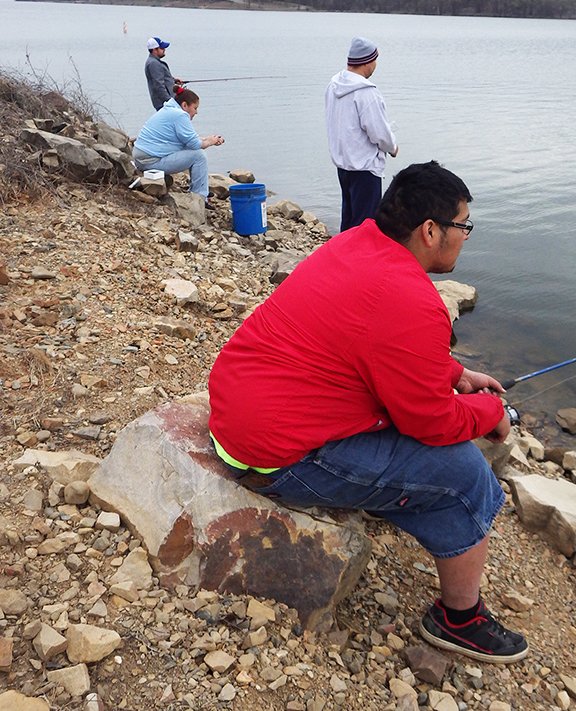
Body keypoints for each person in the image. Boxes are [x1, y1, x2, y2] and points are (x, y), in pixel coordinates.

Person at [207, 161, 529, 664]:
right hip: (276, 457)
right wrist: (489, 413)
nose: (466, 236)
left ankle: (386, 500)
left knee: (428, 433)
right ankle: (459, 620)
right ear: (430, 231)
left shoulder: (355, 244)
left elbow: (375, 339)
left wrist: (454, 374)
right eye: (464, 226)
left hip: (236, 416)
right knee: (465, 474)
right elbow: (432, 423)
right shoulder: (411, 296)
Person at [325, 36, 398, 233]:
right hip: (365, 167)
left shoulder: (333, 85)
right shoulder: (367, 93)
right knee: (365, 224)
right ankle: (359, 262)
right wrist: (393, 147)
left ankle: (343, 258)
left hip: (344, 164)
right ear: (367, 61)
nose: (375, 65)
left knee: (349, 219)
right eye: (375, 60)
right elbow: (379, 133)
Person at [132, 88, 224, 201]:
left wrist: (208, 138)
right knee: (199, 156)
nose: (196, 112)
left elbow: (187, 139)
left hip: (142, 159)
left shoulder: (169, 110)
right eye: (195, 108)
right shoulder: (179, 115)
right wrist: (211, 142)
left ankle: (200, 190)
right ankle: (199, 197)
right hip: (150, 162)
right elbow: (195, 144)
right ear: (185, 105)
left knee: (195, 152)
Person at [145, 36, 182, 111]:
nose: (164, 50)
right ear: (154, 50)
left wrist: (173, 80)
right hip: (164, 104)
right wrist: (170, 101)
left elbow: (160, 78)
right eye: (162, 48)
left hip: (165, 103)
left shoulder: (154, 62)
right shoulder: (154, 64)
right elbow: (158, 85)